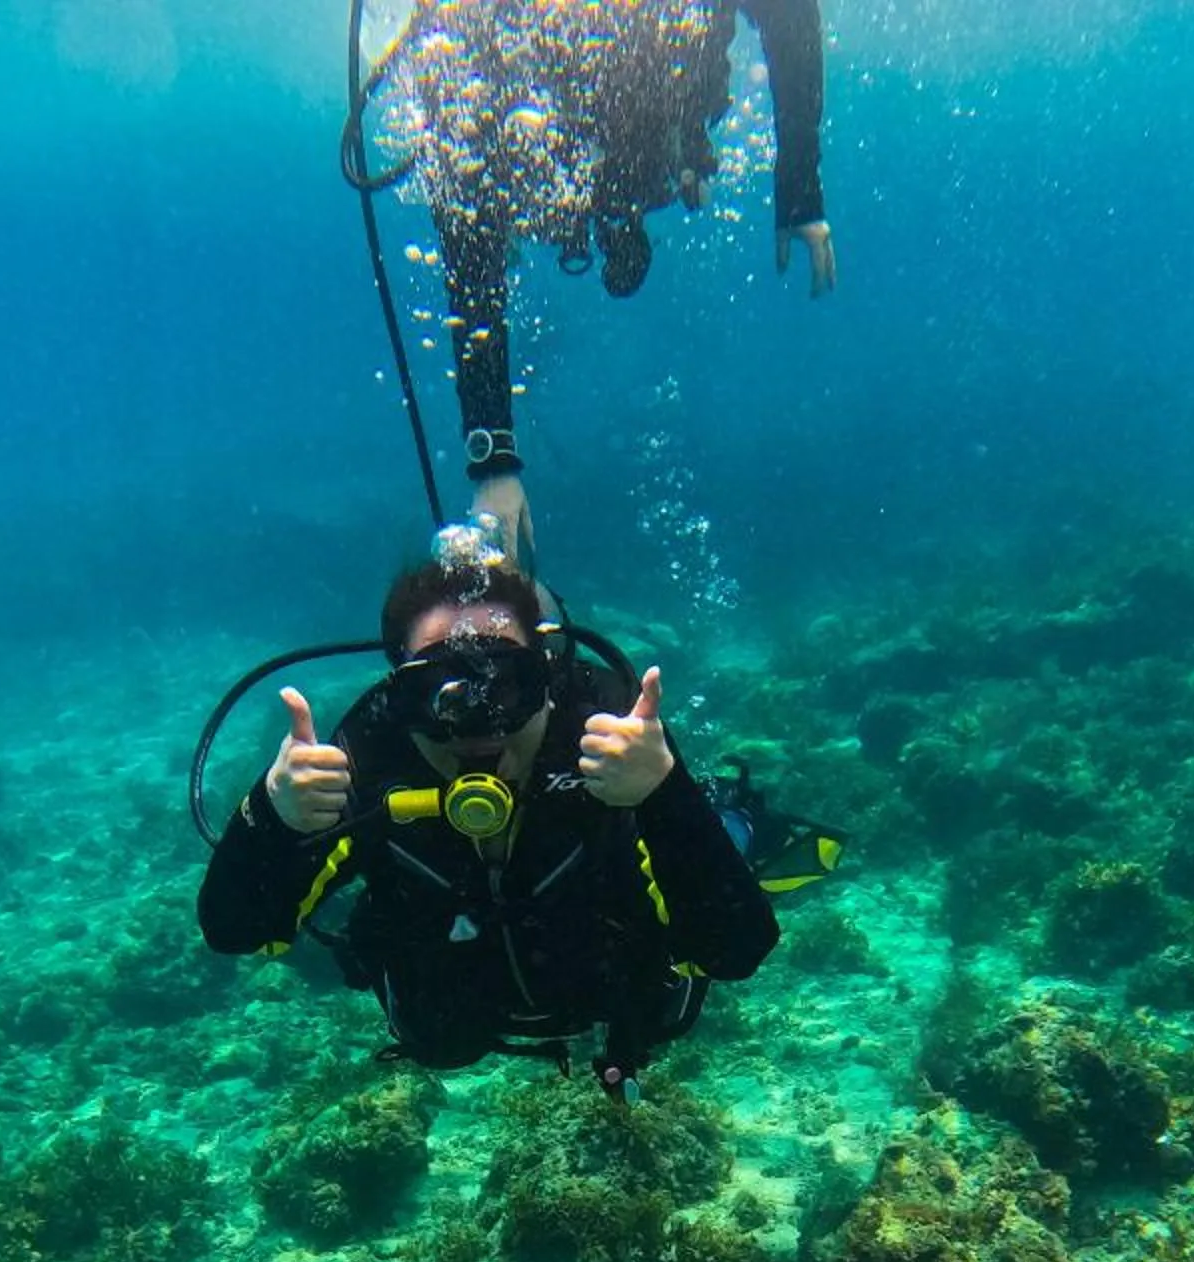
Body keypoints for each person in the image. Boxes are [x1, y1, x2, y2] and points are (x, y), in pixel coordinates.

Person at [198, 553, 778, 1090]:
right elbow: (233, 929)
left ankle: (732, 816)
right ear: (400, 694)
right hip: (456, 1007)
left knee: (683, 943)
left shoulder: (603, 732)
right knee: (440, 1037)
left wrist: (664, 791)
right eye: (439, 692)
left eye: (507, 683)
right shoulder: (373, 754)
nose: (478, 724)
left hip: (619, 986)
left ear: (547, 679)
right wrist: (273, 817)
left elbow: (737, 948)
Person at [384, 0, 836, 572]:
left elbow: (789, 12)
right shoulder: (462, 35)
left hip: (652, 132)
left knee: (620, 166)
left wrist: (799, 184)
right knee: (494, 188)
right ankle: (608, 203)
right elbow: (467, 241)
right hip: (549, 156)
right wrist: (492, 453)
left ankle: (636, 191)